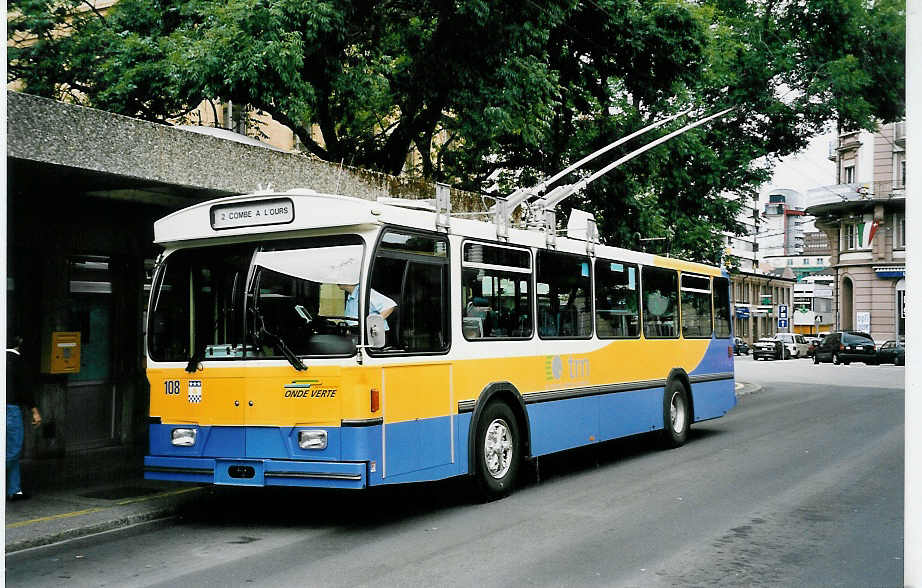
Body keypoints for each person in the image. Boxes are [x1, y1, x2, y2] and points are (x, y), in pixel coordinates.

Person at [7, 335, 41, 501]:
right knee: (14, 449)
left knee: (9, 449)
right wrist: (34, 410)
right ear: (19, 344)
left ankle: (15, 490)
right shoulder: (18, 362)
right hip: (11, 410)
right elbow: (25, 389)